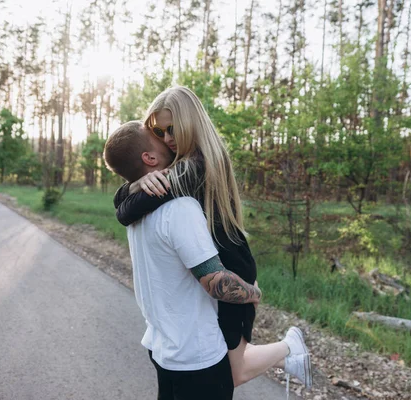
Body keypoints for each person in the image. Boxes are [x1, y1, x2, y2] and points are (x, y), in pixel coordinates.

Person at [111, 86, 312, 390]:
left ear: (191, 122)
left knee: (231, 370)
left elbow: (126, 212)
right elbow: (128, 201)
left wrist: (133, 187)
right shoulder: (180, 164)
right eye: (159, 130)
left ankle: (290, 347)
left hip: (233, 268)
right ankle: (289, 354)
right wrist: (136, 183)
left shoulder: (198, 163)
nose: (167, 138)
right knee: (229, 369)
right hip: (215, 261)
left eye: (173, 128)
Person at [104, 121, 260, 399]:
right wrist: (253, 292)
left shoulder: (136, 214)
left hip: (161, 345)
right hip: (195, 355)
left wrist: (131, 188)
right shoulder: (180, 208)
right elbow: (215, 282)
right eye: (158, 136)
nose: (167, 139)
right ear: (149, 158)